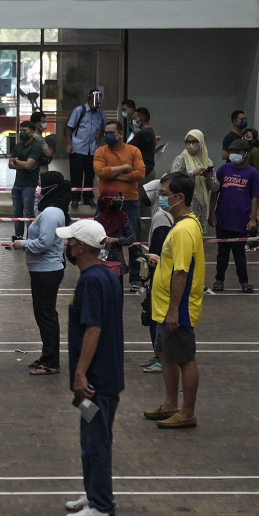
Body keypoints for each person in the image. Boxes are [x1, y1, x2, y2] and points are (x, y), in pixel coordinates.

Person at [56, 219, 123, 516]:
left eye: (70, 241)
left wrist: (80, 375)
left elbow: (93, 330)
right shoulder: (106, 276)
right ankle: (95, 492)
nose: (67, 245)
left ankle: (102, 506)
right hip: (105, 376)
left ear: (81, 247)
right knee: (94, 438)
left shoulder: (91, 281)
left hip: (95, 381)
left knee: (95, 440)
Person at [143, 171, 205, 429]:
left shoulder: (184, 229)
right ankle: (170, 404)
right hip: (163, 307)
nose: (162, 199)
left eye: (165, 195)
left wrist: (173, 312)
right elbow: (175, 264)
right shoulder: (180, 225)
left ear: (180, 197)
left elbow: (181, 273)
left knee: (184, 359)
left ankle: (187, 412)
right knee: (165, 354)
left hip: (175, 309)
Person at [13, 170, 70, 376]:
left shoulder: (52, 212)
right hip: (41, 270)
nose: (37, 187)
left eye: (39, 183)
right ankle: (47, 355)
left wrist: (22, 243)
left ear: (50, 187)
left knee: (46, 315)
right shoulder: (50, 211)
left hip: (47, 270)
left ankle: (51, 361)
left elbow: (44, 243)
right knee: (43, 314)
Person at [94, 119, 146, 290]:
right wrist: (124, 167)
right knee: (100, 240)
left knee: (134, 242)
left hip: (129, 202)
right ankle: (100, 272)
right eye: (106, 133)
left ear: (121, 133)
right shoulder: (101, 151)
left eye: (111, 133)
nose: (108, 136)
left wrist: (113, 175)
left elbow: (140, 174)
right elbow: (100, 172)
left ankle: (135, 279)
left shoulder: (133, 150)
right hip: (105, 206)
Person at [209, 139, 259, 293]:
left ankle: (244, 281)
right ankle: (219, 280)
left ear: (245, 154)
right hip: (223, 218)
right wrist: (211, 214)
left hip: (241, 220)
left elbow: (255, 197)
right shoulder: (223, 170)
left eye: (237, 152)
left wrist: (252, 219)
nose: (234, 155)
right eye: (231, 152)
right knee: (222, 252)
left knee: (239, 253)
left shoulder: (252, 173)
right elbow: (214, 192)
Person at [138, 179, 176, 375]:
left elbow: (156, 251)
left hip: (160, 277)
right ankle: (159, 355)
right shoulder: (170, 215)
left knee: (156, 318)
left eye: (163, 193)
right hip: (164, 274)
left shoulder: (162, 217)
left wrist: (146, 275)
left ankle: (161, 357)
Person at [169, 129, 217, 235]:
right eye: (188, 142)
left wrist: (209, 177)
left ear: (201, 142)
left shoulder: (207, 162)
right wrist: (193, 173)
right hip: (185, 206)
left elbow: (215, 188)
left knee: (198, 240)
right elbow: (174, 180)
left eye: (194, 142)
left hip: (202, 208)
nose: (191, 145)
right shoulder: (181, 159)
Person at [65, 90, 106, 209]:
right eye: (95, 99)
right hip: (77, 148)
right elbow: (69, 127)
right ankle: (75, 197)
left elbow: (103, 128)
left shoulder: (100, 113)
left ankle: (88, 197)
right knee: (76, 174)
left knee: (90, 174)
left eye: (99, 99)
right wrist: (69, 143)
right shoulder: (79, 110)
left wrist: (98, 141)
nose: (97, 102)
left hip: (92, 150)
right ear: (89, 98)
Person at [9, 120, 48, 241]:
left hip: (30, 185)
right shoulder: (18, 146)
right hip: (17, 184)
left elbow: (28, 165)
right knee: (17, 214)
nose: (22, 134)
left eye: (24, 131)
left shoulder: (36, 146)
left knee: (29, 213)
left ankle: (31, 238)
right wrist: (22, 163)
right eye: (20, 131)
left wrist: (16, 161)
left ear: (32, 132)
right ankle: (19, 237)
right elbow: (10, 164)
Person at [94, 187, 136, 283]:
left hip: (116, 262)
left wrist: (116, 240)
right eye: (115, 198)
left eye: (120, 198)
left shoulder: (123, 217)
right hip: (100, 261)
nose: (118, 201)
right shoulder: (98, 219)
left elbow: (131, 238)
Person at [242, 127, 259, 251]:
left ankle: (252, 241)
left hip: (251, 187)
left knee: (253, 214)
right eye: (244, 136)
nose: (246, 138)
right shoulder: (244, 152)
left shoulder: (255, 152)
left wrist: (257, 187)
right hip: (244, 187)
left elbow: (258, 170)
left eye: (248, 136)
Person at [129, 107, 156, 181]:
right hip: (147, 171)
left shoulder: (144, 133)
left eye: (134, 118)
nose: (133, 121)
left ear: (142, 118)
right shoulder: (149, 131)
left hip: (144, 172)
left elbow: (126, 148)